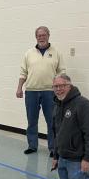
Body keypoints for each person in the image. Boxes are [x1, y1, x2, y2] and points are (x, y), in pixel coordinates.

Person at [16, 26, 66, 157]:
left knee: (52, 121)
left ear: (48, 36)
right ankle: (32, 146)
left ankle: (53, 148)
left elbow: (62, 72)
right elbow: (23, 72)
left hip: (50, 92)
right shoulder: (28, 53)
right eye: (39, 35)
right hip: (31, 92)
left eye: (44, 35)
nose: (41, 37)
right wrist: (19, 88)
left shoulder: (56, 53)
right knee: (32, 121)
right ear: (36, 37)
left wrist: (61, 89)